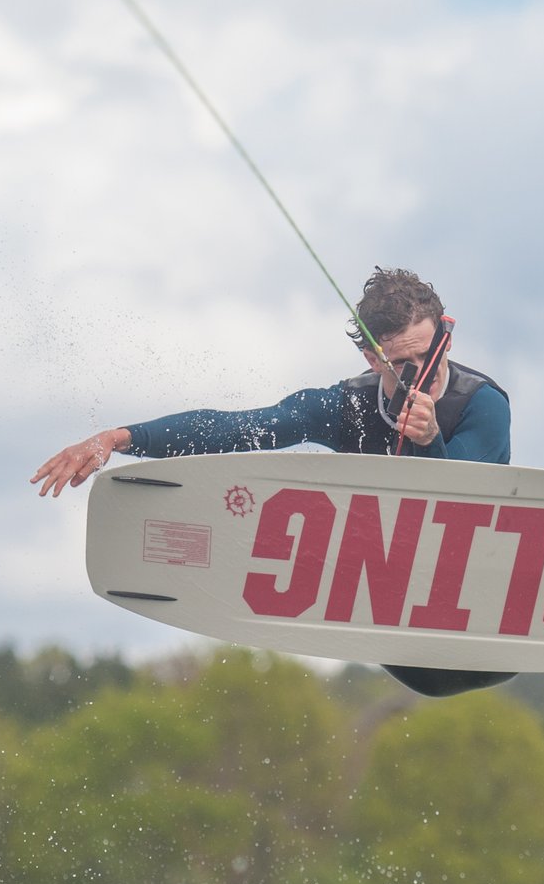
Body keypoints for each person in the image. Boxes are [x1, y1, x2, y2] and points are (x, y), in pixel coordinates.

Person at [31, 268, 514, 697]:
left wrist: (430, 439)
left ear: (445, 343)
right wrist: (120, 438)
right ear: (371, 358)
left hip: (478, 615)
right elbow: (243, 428)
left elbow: (459, 512)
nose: (419, 379)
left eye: (429, 358)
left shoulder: (482, 404)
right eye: (400, 365)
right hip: (413, 653)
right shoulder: (347, 406)